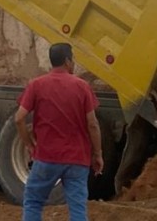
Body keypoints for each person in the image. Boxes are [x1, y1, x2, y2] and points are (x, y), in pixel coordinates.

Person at [14, 42, 103, 221]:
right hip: (77, 160)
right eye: (73, 59)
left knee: (33, 202)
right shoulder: (82, 86)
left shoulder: (36, 85)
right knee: (77, 208)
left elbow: (19, 118)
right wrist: (98, 154)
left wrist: (29, 145)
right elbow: (92, 124)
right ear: (67, 61)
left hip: (46, 157)